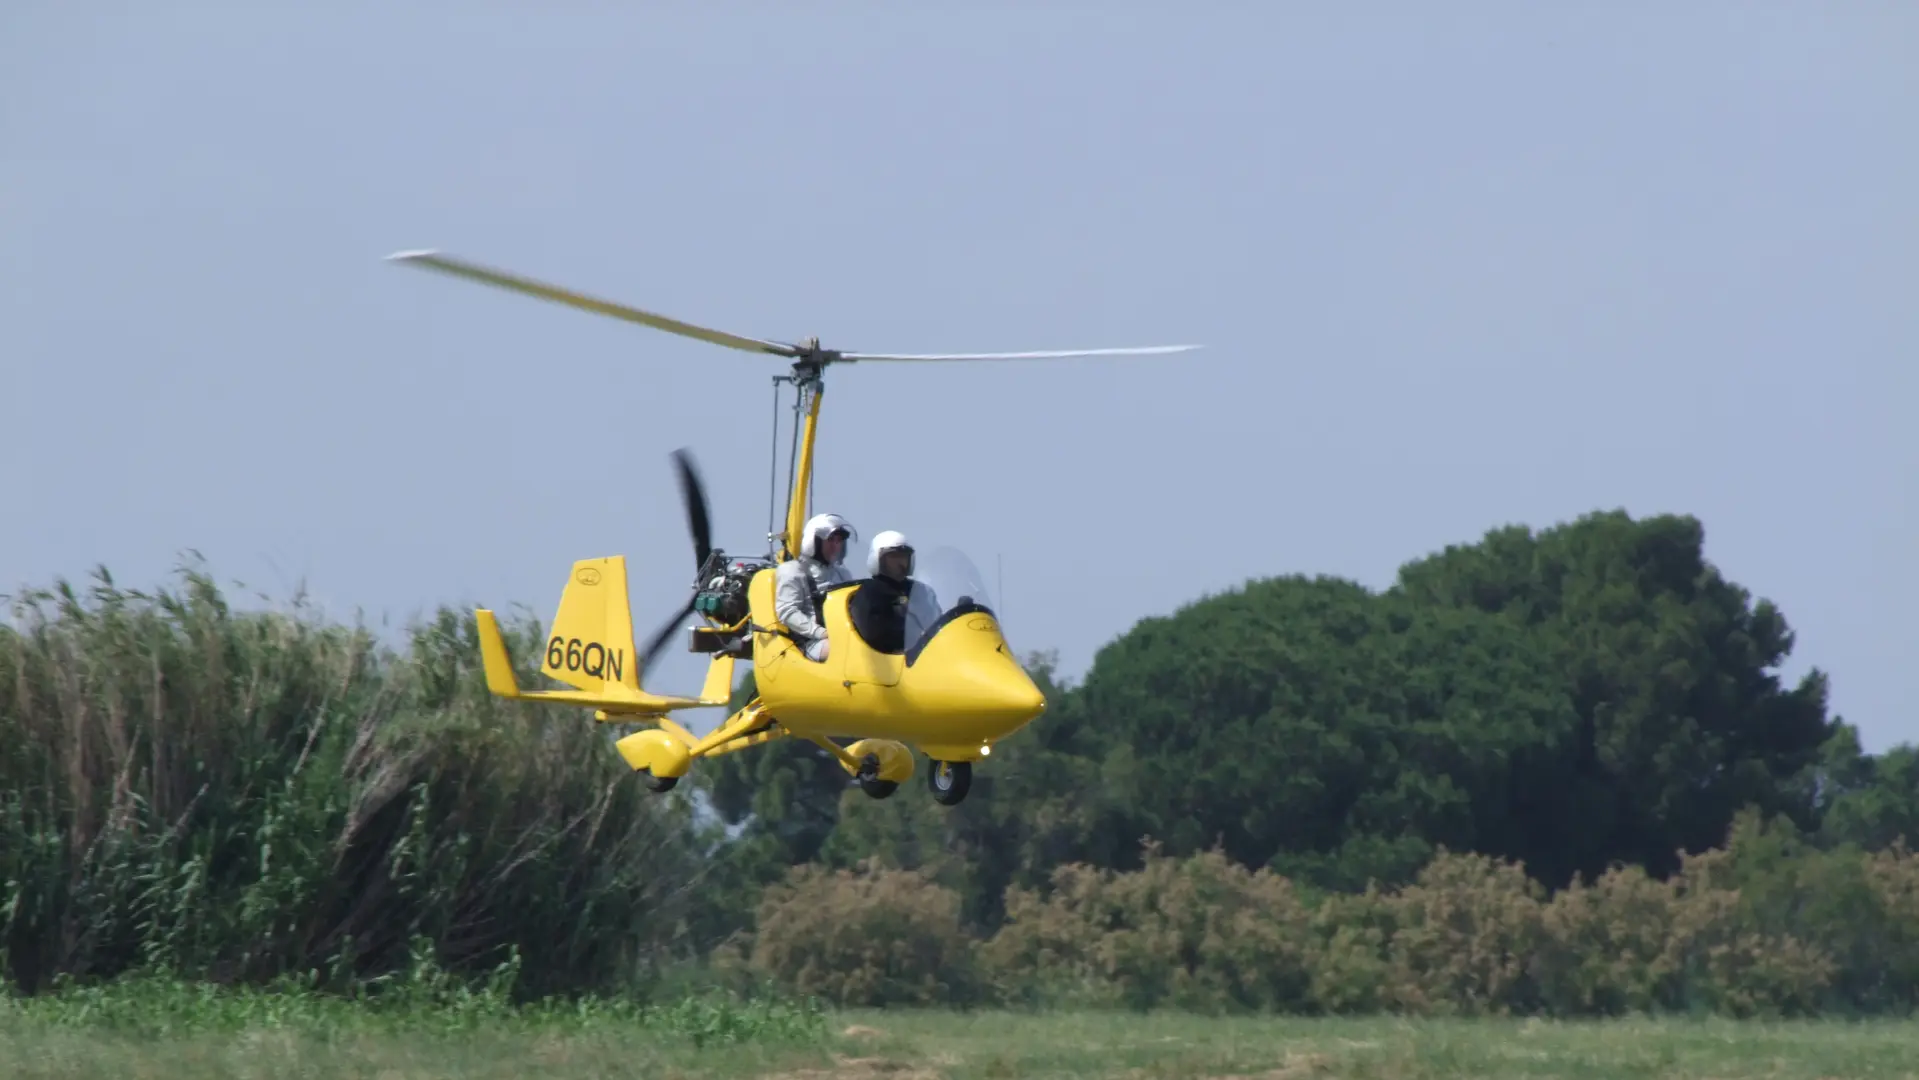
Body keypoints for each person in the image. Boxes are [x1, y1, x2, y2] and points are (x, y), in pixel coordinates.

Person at [775, 512, 856, 661]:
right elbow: (787, 612)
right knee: (847, 649)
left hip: (843, 636)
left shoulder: (843, 574)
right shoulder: (792, 570)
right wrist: (821, 633)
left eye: (839, 541)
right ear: (815, 542)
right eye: (830, 540)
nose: (835, 546)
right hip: (811, 642)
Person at [849, 530, 942, 654]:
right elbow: (872, 633)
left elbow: (935, 621)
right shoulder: (870, 591)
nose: (900, 562)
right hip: (889, 659)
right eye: (893, 557)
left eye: (903, 557)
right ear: (877, 558)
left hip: (926, 654)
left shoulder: (920, 590)